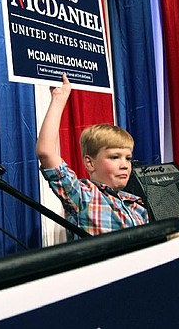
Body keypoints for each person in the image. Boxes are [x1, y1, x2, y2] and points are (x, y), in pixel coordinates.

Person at [36, 73, 149, 237]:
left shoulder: (137, 206)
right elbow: (46, 152)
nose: (124, 164)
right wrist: (58, 99)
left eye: (128, 158)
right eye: (114, 157)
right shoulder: (82, 196)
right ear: (90, 163)